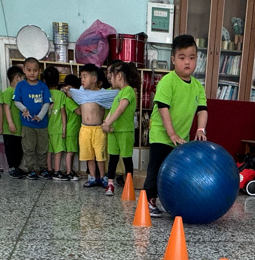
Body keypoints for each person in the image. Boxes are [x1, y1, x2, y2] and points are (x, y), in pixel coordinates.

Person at [144, 34, 208, 217]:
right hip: (161, 135)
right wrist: (171, 134)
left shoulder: (198, 86)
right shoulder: (168, 81)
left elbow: (202, 110)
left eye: (192, 58)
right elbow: (163, 108)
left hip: (181, 139)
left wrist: (200, 129)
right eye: (182, 57)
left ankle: (171, 201)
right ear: (173, 60)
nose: (187, 62)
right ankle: (149, 200)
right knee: (156, 169)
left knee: (175, 172)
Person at [71, 63, 114, 187]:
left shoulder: (102, 94)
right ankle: (92, 177)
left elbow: (113, 102)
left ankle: (102, 177)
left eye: (85, 77)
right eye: (81, 77)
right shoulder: (81, 92)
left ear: (94, 79)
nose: (82, 79)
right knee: (89, 156)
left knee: (100, 156)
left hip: (98, 129)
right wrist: (67, 90)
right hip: (84, 129)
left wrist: (107, 123)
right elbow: (71, 93)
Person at [102, 61, 139, 197]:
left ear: (119, 76)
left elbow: (120, 109)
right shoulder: (119, 93)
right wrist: (106, 124)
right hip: (113, 131)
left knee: (126, 159)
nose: (110, 79)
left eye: (111, 75)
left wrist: (108, 123)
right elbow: (113, 110)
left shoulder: (128, 91)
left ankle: (129, 185)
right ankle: (110, 184)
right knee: (113, 159)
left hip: (125, 131)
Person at [12, 57, 51, 178]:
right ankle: (31, 170)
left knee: (42, 149)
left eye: (35, 70)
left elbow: (47, 103)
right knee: (28, 148)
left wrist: (40, 116)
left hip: (42, 125)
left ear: (39, 71)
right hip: (27, 124)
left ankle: (43, 169)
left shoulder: (43, 86)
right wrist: (24, 109)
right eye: (29, 70)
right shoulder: (21, 85)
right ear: (24, 70)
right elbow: (16, 101)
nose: (32, 73)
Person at [42, 66, 68, 180]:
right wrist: (64, 128)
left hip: (45, 128)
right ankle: (57, 171)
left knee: (49, 151)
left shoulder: (43, 93)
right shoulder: (61, 95)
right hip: (57, 128)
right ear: (58, 81)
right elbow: (63, 112)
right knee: (58, 151)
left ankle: (49, 169)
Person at [0, 65, 24, 177]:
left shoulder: (19, 92)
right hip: (10, 129)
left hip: (19, 128)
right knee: (11, 149)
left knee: (19, 149)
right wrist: (10, 123)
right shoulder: (8, 92)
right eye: (23, 78)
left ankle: (17, 167)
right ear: (17, 78)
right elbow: (6, 108)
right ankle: (12, 168)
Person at [62, 74, 81, 180]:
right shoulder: (68, 101)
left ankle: (70, 170)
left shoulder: (73, 100)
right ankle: (69, 172)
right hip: (71, 130)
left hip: (75, 130)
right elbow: (78, 112)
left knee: (72, 152)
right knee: (70, 152)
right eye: (69, 90)